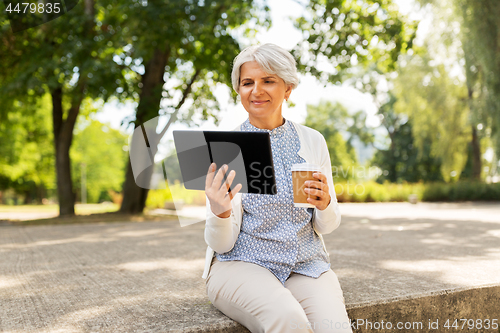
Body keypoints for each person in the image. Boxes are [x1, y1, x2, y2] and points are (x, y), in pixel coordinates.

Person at [202, 43, 352, 333]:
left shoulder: (312, 141)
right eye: (248, 82)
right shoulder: (226, 148)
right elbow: (221, 244)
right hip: (240, 264)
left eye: (268, 80)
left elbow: (328, 225)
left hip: (305, 264)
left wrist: (325, 203)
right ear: (239, 90)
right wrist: (219, 212)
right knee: (288, 319)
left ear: (288, 88)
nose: (256, 90)